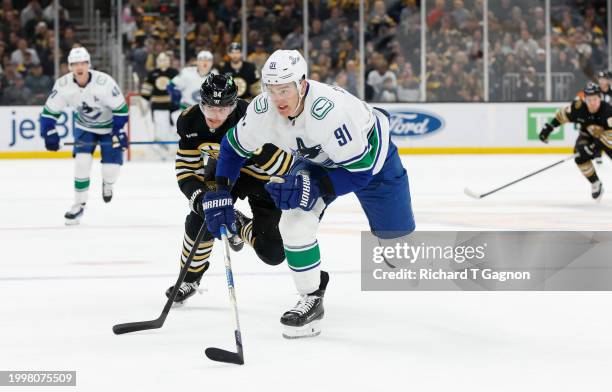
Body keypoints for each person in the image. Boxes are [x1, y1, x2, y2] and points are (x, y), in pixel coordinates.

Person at [201, 50, 415, 338]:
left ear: (302, 84)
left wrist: (313, 188)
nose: (278, 98)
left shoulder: (328, 113)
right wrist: (221, 189)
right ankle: (311, 298)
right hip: (316, 162)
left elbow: (360, 171)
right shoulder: (263, 110)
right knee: (293, 224)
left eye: (285, 89)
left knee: (401, 256)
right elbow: (232, 148)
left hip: (373, 163)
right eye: (271, 89)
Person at [167, 73, 293, 303]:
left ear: (234, 106)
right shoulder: (189, 121)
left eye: (223, 109)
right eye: (209, 107)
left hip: (264, 178)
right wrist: (200, 198)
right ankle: (189, 278)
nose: (215, 115)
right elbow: (187, 170)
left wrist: (254, 145)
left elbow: (286, 166)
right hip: (225, 174)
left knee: (273, 253)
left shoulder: (255, 117)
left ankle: (237, 223)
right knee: (202, 218)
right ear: (200, 102)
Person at [40, 47, 129, 224]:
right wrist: (49, 132)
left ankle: (108, 184)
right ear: (69, 66)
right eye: (75, 64)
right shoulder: (63, 85)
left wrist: (118, 131)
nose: (79, 67)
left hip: (109, 128)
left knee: (109, 171)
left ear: (89, 64)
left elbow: (121, 110)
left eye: (82, 63)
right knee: (81, 163)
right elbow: (48, 114)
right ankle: (79, 205)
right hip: (85, 127)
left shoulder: (105, 83)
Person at [539, 82, 611, 201]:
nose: (592, 103)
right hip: (587, 135)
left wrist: (592, 147)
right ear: (584, 99)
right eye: (589, 100)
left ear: (600, 98)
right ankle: (595, 183)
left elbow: (610, 137)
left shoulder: (608, 111)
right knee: (579, 155)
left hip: (607, 139)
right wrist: (549, 128)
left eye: (595, 99)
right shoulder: (578, 108)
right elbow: (561, 115)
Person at [140, 52, 179, 148]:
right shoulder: (152, 74)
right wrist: (143, 103)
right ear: (157, 61)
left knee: (175, 127)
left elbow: (179, 88)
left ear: (169, 61)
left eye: (165, 60)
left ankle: (174, 147)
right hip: (158, 105)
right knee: (160, 127)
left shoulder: (174, 72)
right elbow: (146, 90)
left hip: (173, 105)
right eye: (160, 60)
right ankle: (161, 147)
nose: (163, 62)